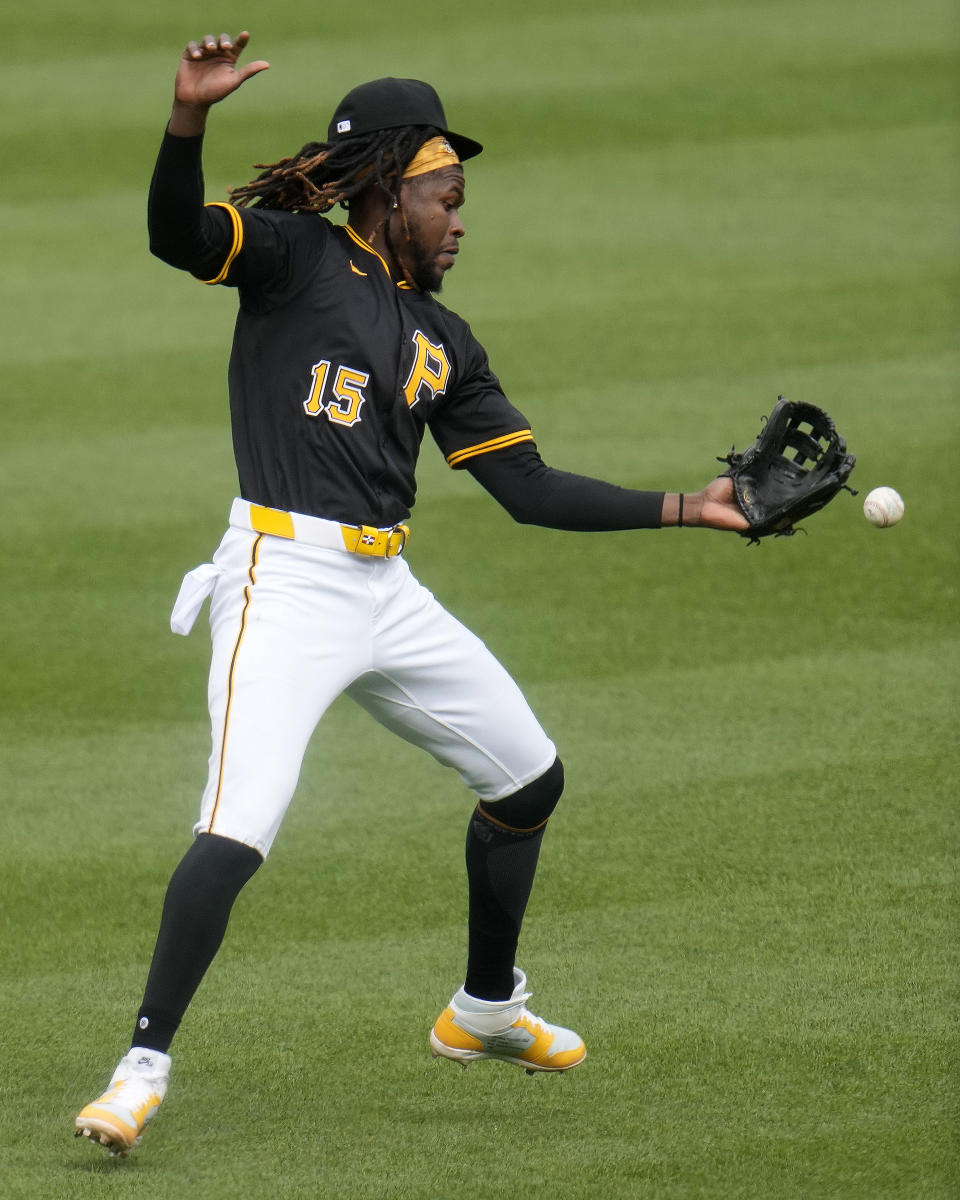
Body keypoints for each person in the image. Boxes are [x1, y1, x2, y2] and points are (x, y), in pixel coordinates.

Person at [74, 31, 749, 1156]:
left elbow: (526, 491)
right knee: (238, 827)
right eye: (448, 194)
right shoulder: (291, 256)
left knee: (527, 776)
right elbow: (173, 236)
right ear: (390, 189)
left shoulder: (444, 340)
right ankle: (140, 1069)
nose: (461, 219)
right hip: (281, 582)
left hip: (385, 590)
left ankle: (484, 1010)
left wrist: (688, 505)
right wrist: (186, 118)